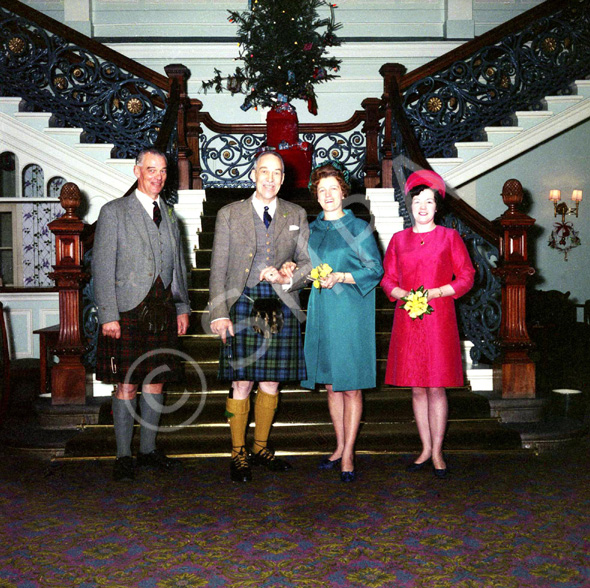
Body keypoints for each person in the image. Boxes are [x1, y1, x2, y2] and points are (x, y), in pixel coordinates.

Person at [208, 151, 312, 483]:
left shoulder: (296, 213)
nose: (269, 178)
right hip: (241, 302)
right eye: (263, 172)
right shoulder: (229, 213)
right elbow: (218, 269)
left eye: (276, 173)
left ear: (283, 179)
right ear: (253, 175)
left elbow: (309, 264)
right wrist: (218, 313)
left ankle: (261, 447)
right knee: (241, 382)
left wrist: (288, 275)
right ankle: (238, 451)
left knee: (271, 381)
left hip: (280, 303)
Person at [93, 148, 191, 482]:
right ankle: (123, 455)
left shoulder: (171, 214)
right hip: (127, 310)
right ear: (137, 171)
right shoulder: (114, 212)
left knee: (157, 380)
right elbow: (102, 268)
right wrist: (108, 314)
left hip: (163, 310)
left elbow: (178, 267)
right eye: (151, 170)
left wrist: (181, 306)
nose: (158, 176)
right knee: (127, 383)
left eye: (163, 171)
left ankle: (148, 450)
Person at [284, 161, 383, 482]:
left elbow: (375, 270)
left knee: (350, 385)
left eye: (333, 188)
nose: (327, 194)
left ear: (343, 191)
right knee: (330, 384)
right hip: (322, 311)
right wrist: (290, 270)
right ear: (316, 194)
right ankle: (339, 446)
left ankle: (350, 453)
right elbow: (301, 270)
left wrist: (342, 275)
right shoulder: (310, 230)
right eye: (321, 189)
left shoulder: (358, 228)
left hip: (351, 313)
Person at [381, 169, 475, 479]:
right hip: (408, 319)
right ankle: (424, 448)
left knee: (436, 387)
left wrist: (437, 291)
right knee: (417, 389)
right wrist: (403, 294)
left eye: (429, 201)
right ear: (410, 205)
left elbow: (466, 277)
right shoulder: (398, 239)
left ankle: (437, 451)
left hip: (439, 319)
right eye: (417, 201)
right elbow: (387, 280)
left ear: (437, 207)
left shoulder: (450, 237)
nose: (423, 207)